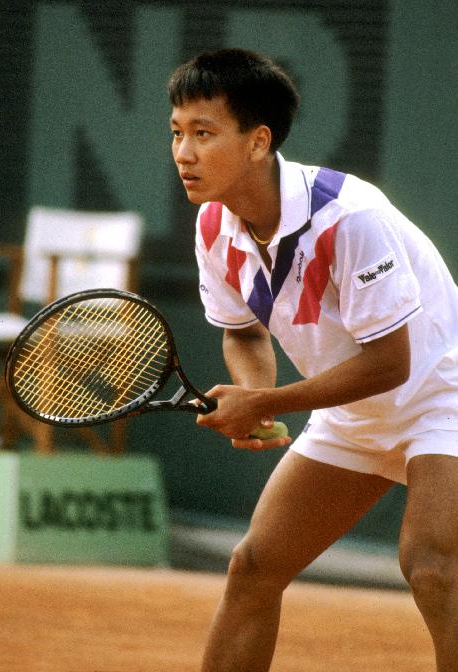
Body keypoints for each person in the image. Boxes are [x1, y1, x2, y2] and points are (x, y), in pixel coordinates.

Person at [168, 48, 458, 672]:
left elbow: (390, 364)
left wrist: (268, 402)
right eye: (176, 133)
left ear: (257, 141)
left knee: (433, 566)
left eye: (203, 133)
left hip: (443, 395)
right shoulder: (214, 225)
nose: (184, 153)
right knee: (254, 567)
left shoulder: (349, 219)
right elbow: (243, 332)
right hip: (351, 412)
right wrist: (254, 399)